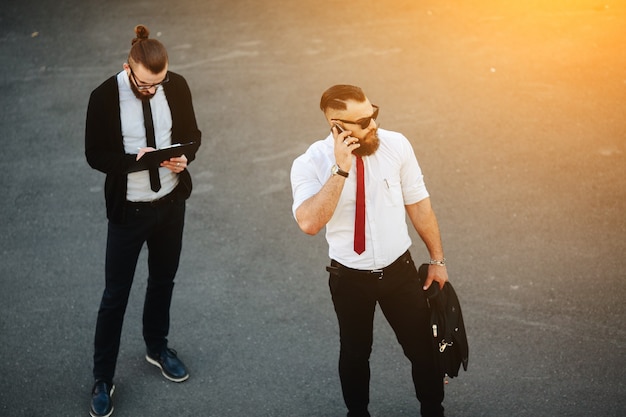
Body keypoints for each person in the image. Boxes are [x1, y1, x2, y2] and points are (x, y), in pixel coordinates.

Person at [290, 85, 449, 417]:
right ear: (337, 126)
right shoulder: (310, 163)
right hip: (349, 279)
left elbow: (419, 206)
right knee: (355, 352)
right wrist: (341, 168)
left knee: (423, 350)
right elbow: (309, 223)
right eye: (362, 121)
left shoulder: (397, 145)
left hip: (399, 273)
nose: (373, 124)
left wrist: (437, 259)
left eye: (373, 114)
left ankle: (433, 410)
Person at [85, 25, 201, 417]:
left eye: (159, 82)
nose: (152, 89)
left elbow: (191, 134)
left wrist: (185, 157)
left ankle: (156, 347)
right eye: (145, 83)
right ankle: (103, 378)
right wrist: (136, 161)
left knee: (163, 279)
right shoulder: (104, 97)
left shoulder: (177, 85)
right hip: (129, 210)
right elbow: (95, 155)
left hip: (170, 203)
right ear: (128, 67)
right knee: (115, 296)